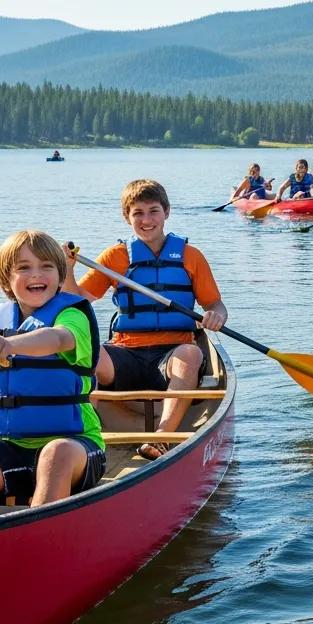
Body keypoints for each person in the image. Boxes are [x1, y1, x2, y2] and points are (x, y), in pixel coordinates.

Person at [63, 179, 229, 460]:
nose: (146, 220)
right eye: (138, 213)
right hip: (126, 352)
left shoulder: (191, 256)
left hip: (173, 352)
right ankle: (82, 432)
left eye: (153, 211)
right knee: (84, 352)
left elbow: (215, 304)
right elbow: (76, 300)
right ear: (127, 217)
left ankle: (162, 438)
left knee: (190, 353)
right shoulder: (115, 256)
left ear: (166, 212)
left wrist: (216, 317)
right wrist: (66, 268)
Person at [0, 231, 105, 507]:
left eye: (47, 266)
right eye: (24, 267)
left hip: (75, 447)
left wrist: (10, 345)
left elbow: (57, 339)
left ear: (58, 275)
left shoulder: (71, 315)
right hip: (10, 450)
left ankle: (40, 538)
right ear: (7, 278)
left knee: (56, 453)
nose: (36, 275)